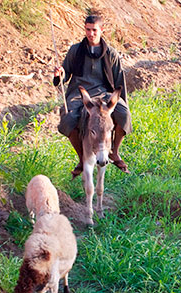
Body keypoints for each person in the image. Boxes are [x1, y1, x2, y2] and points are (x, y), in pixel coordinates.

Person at [55, 14, 131, 178]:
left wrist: (122, 102)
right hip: (79, 92)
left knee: (124, 114)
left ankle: (114, 152)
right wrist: (59, 74)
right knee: (68, 118)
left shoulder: (111, 53)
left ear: (102, 30)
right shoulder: (75, 50)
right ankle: (82, 158)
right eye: (88, 30)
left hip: (104, 93)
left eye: (94, 30)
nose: (91, 34)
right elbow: (65, 73)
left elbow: (119, 81)